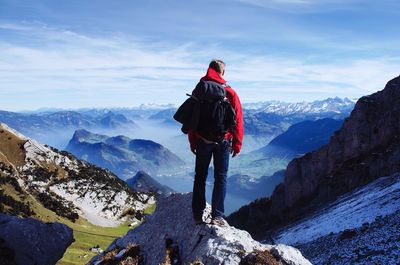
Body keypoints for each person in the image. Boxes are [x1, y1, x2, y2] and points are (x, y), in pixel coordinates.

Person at [188, 59, 244, 226]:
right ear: (222, 73)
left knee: (200, 177)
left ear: (208, 70)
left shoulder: (199, 90)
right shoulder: (230, 92)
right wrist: (237, 144)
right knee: (220, 177)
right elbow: (238, 120)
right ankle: (217, 216)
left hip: (202, 140)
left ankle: (198, 215)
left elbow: (192, 119)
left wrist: (193, 141)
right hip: (223, 141)